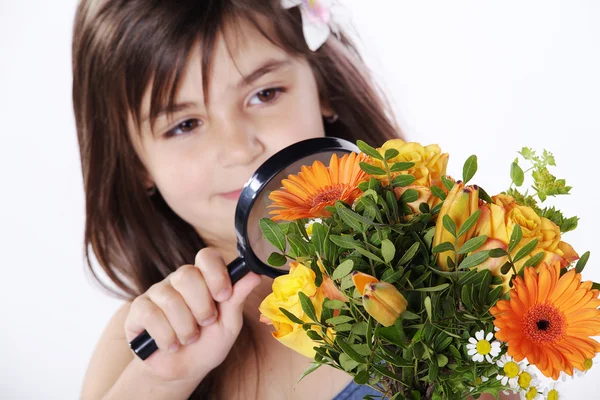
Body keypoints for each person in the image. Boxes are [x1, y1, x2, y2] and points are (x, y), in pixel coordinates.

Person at [73, 1, 517, 399]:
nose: (237, 148)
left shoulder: (436, 269)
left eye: (264, 94)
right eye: (184, 124)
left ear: (321, 87)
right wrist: (166, 381)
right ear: (136, 164)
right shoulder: (141, 345)